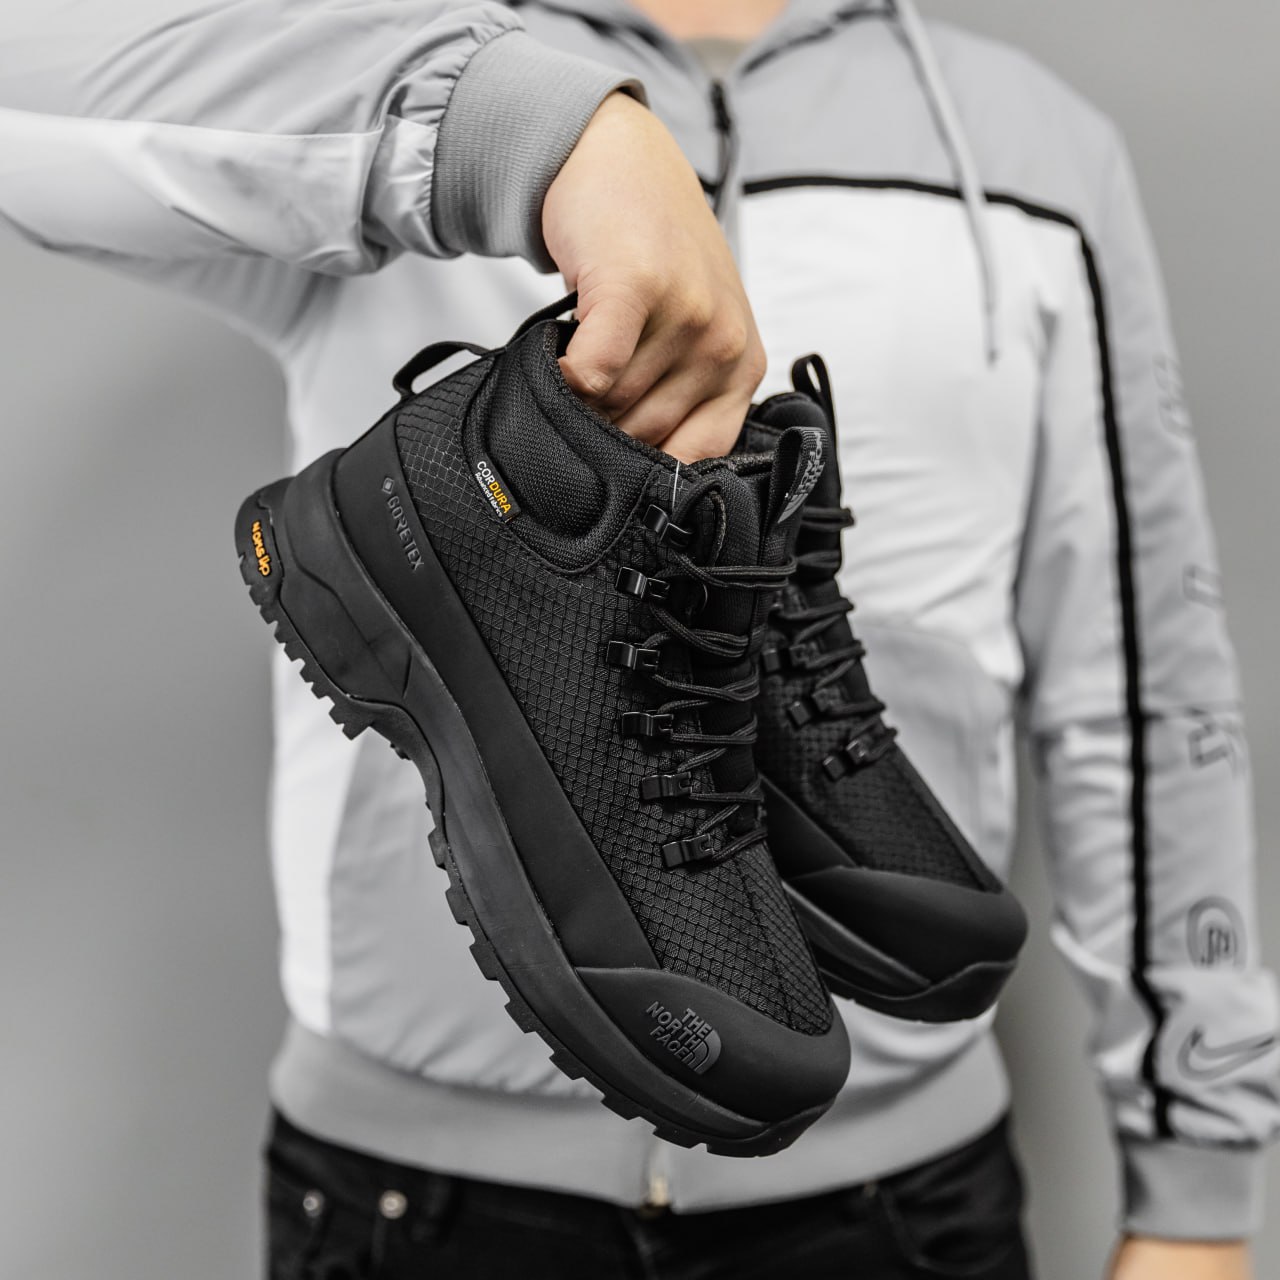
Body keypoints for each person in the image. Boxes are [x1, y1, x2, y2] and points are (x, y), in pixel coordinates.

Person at [1, 1, 1275, 1277]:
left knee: (750, 469)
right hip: (415, 1198)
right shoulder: (375, 38)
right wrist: (520, 129)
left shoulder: (1032, 148)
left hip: (900, 1201)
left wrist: (1197, 1191)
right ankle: (453, 523)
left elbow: (1143, 682)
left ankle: (613, 561)